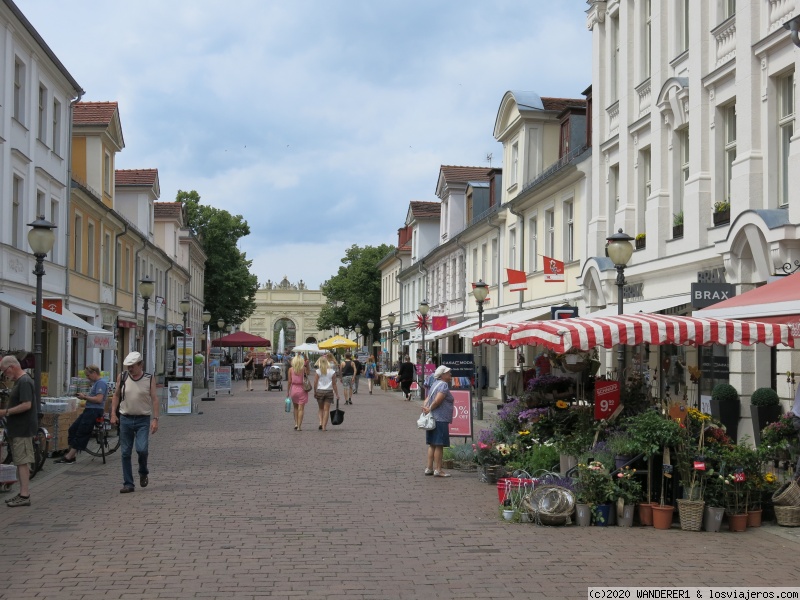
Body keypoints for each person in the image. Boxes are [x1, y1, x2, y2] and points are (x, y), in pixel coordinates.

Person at [111, 351, 159, 494]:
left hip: (142, 419)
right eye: (128, 366)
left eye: (132, 366)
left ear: (140, 365)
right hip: (125, 418)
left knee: (142, 449)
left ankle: (143, 471)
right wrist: (113, 413)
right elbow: (116, 395)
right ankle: (128, 484)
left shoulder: (149, 378)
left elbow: (155, 399)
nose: (130, 369)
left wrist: (155, 419)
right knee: (125, 452)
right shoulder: (123, 376)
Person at [0, 355, 37, 507]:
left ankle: (24, 494)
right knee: (20, 461)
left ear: (12, 367)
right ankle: (22, 493)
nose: (5, 375)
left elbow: (26, 405)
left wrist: (6, 412)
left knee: (22, 462)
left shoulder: (25, 381)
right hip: (18, 429)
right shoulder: (20, 381)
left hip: (23, 428)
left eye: (4, 371)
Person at [55, 365, 108, 464]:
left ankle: (69, 457)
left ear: (94, 373)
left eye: (88, 375)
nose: (87, 378)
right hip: (89, 409)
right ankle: (72, 455)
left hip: (94, 410)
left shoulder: (101, 383)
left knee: (82, 432)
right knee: (73, 429)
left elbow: (99, 399)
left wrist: (85, 397)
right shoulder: (96, 383)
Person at [421, 365, 455, 477]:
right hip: (440, 419)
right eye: (448, 373)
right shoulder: (444, 385)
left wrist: (426, 408)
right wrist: (430, 408)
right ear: (443, 375)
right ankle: (438, 470)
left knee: (432, 444)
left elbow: (427, 399)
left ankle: (429, 468)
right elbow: (437, 400)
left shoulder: (434, 384)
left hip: (432, 418)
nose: (450, 374)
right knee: (439, 445)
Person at [313, 355, 339, 431]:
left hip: (320, 391)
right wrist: (337, 394)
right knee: (326, 410)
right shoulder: (332, 372)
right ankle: (324, 426)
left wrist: (315, 391)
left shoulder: (318, 371)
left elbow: (315, 382)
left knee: (320, 409)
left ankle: (320, 422)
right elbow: (334, 384)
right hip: (329, 391)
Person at [287, 354, 309, 431]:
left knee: (295, 407)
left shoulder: (290, 369)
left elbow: (289, 381)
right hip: (302, 389)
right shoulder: (304, 369)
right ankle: (299, 426)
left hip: (293, 389)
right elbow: (307, 377)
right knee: (301, 409)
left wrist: (288, 392)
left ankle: (296, 423)